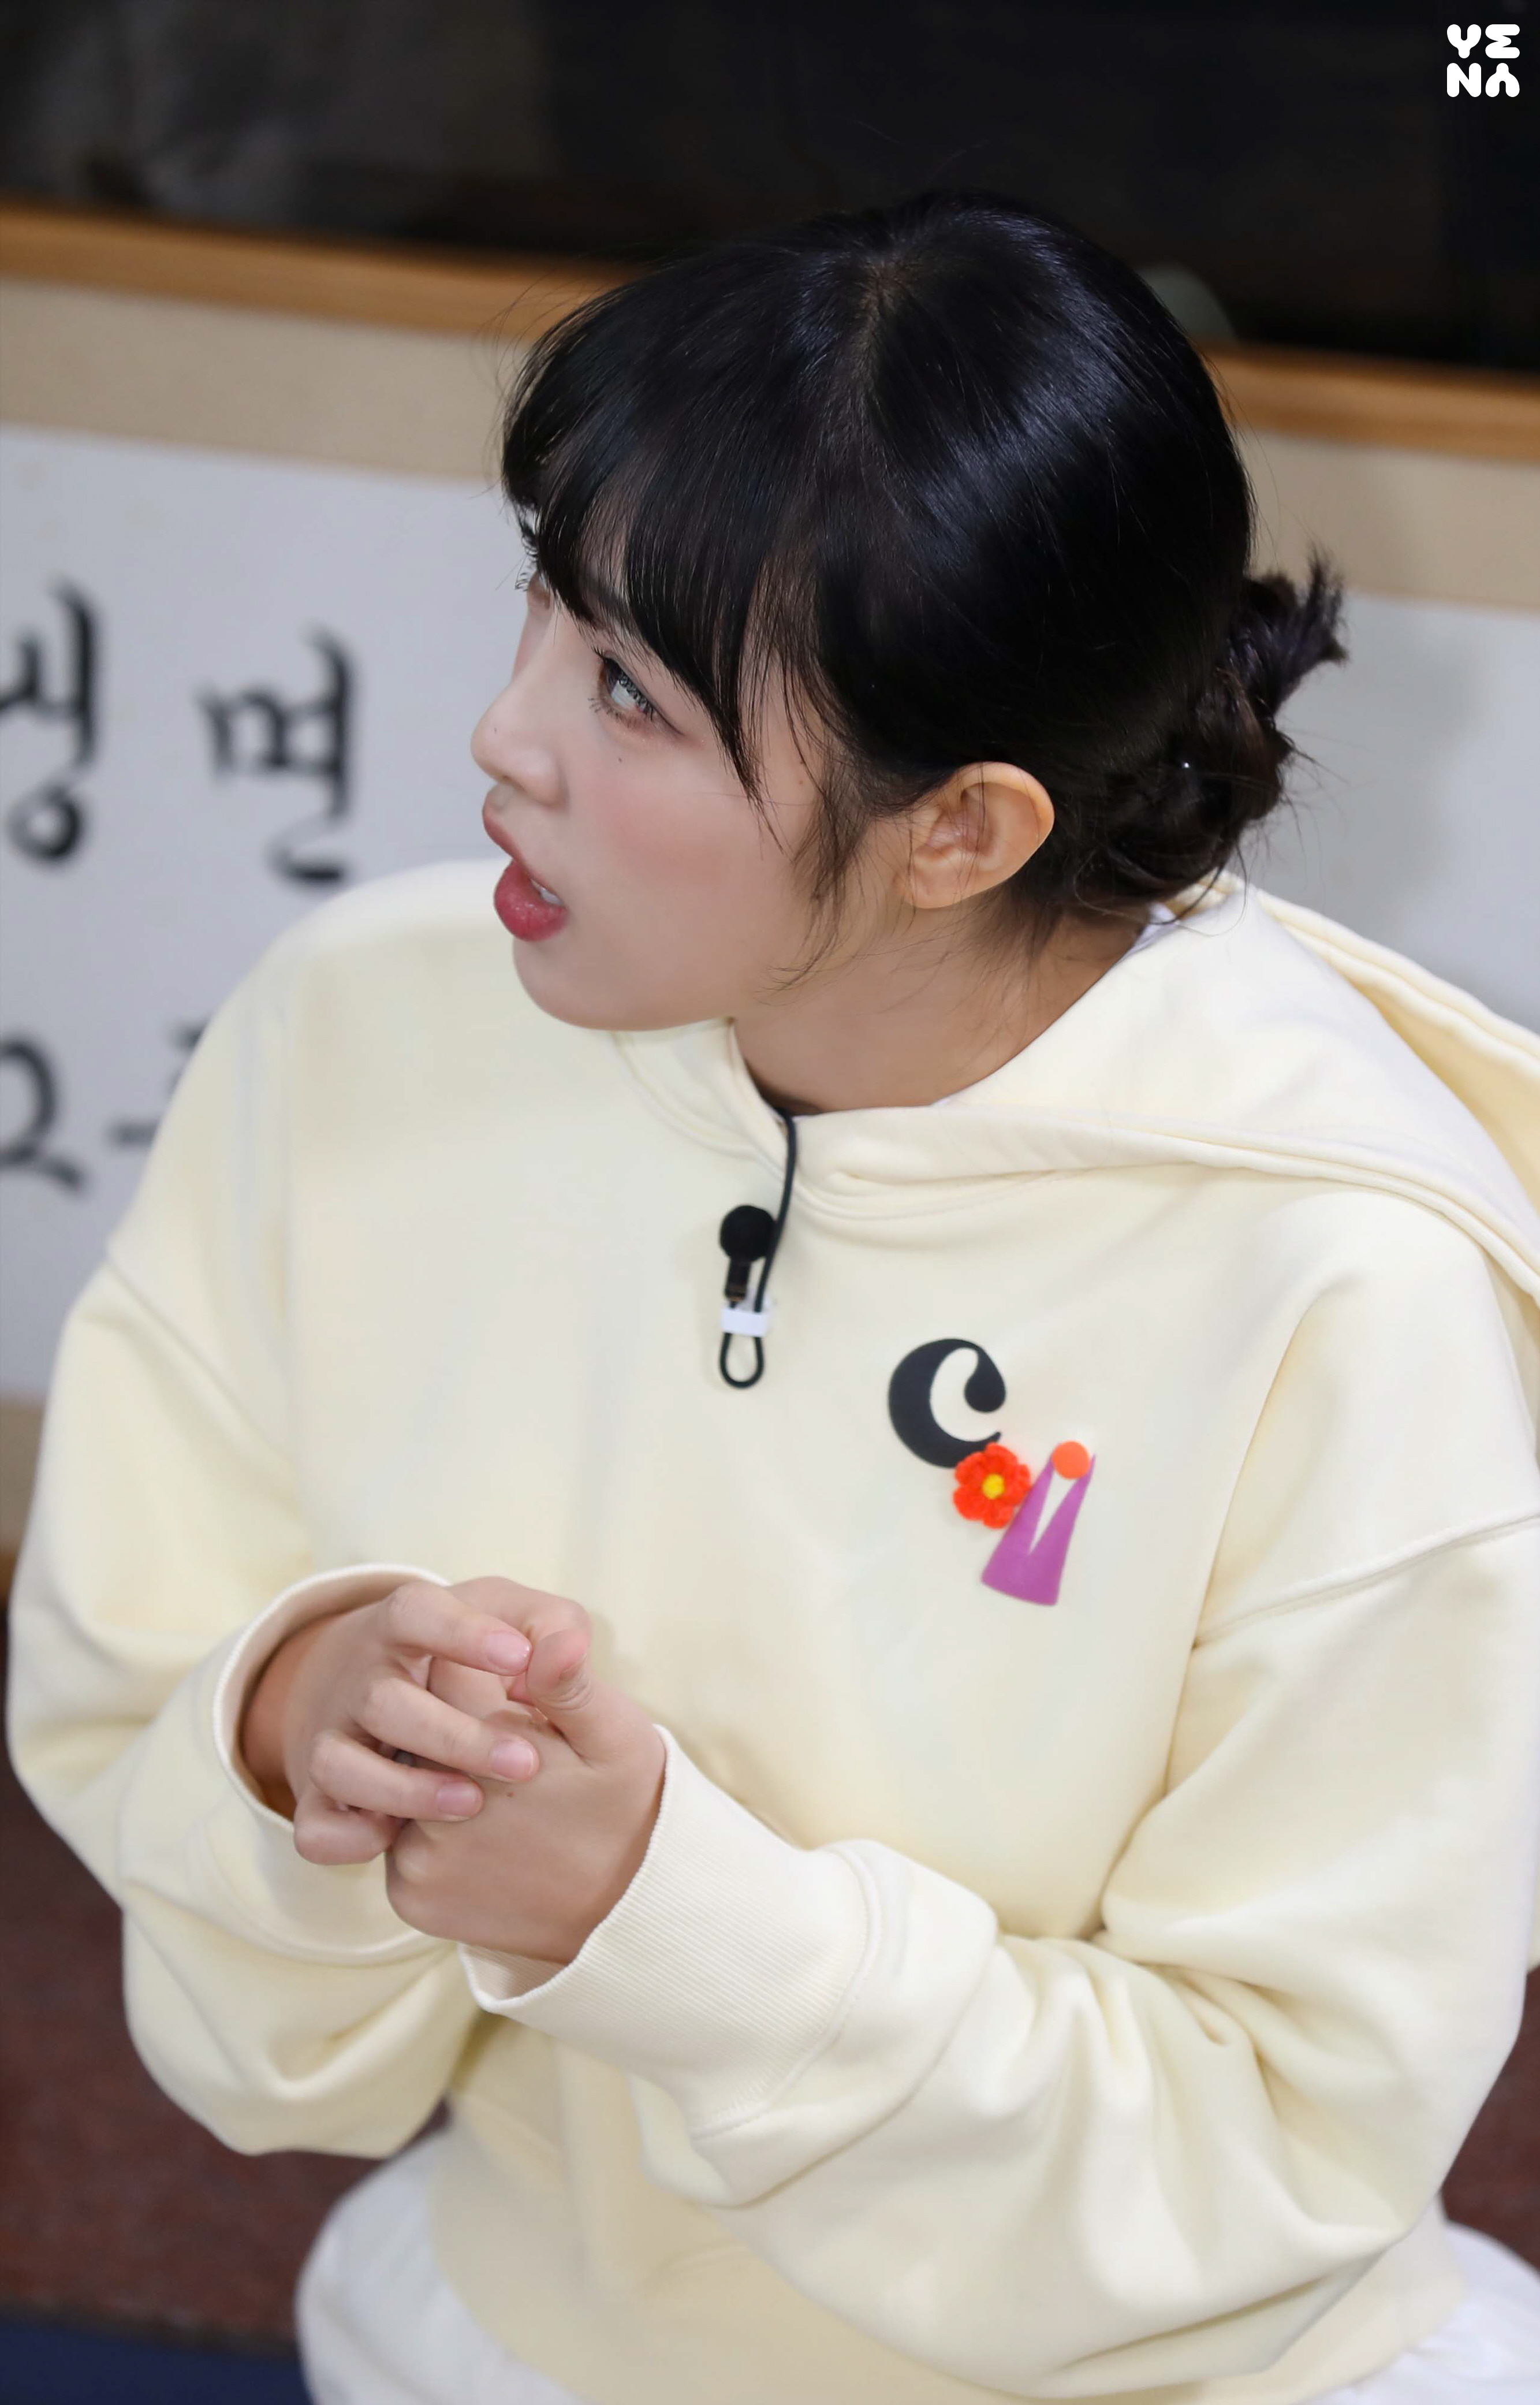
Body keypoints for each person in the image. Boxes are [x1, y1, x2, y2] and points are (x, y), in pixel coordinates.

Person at [8, 189, 1540, 2405]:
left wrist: (660, 1917)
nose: (504, 733)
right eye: (542, 608)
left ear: (962, 831)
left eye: (632, 693)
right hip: (518, 2336)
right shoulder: (357, 1033)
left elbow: (1273, 2137)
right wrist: (291, 1713)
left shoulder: (1342, 1280)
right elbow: (139, 1743)